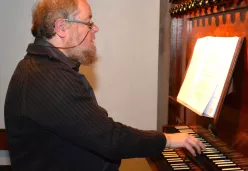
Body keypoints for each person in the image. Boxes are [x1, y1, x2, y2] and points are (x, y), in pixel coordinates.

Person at [4, 0, 205, 170]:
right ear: (61, 28)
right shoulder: (48, 77)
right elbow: (110, 139)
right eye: (89, 22)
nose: (95, 28)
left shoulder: (43, 67)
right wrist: (167, 140)